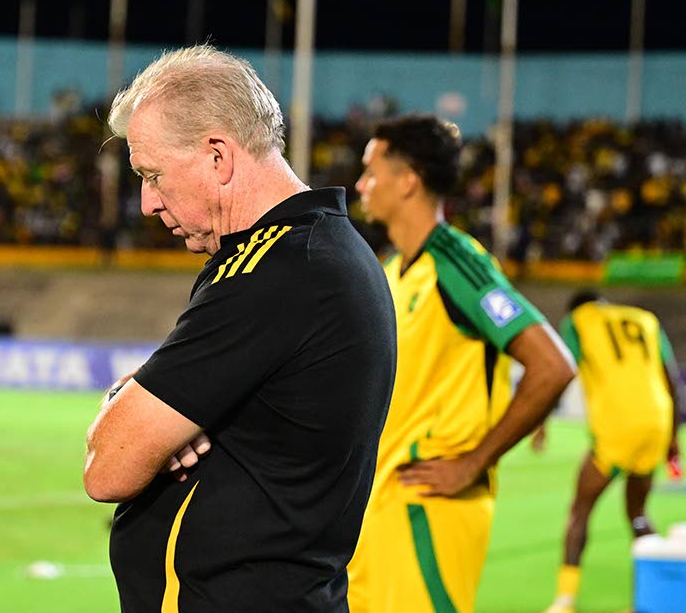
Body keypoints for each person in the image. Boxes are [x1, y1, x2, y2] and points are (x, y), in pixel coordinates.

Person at [83, 45, 397, 611]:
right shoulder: (302, 253)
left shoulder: (279, 270)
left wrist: (145, 419)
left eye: (152, 175)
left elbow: (109, 468)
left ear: (218, 157)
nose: (147, 203)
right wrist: (147, 410)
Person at [347, 114, 576, 613]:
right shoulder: (390, 271)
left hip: (428, 507)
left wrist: (474, 462)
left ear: (407, 181)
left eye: (372, 171)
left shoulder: (457, 263)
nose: (361, 184)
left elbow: (553, 365)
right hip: (377, 506)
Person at [540, 290, 681, 613]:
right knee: (638, 514)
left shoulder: (578, 321)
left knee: (580, 510)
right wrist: (672, 438)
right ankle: (657, 591)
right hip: (656, 423)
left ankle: (565, 598)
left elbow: (561, 368)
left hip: (617, 426)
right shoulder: (645, 318)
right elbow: (671, 380)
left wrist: (541, 420)